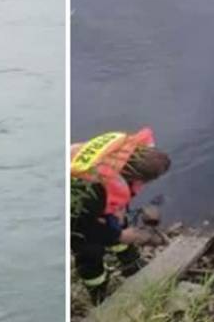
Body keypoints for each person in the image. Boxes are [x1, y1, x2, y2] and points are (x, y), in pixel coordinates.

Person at [70, 128, 171, 304]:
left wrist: (119, 210)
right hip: (74, 210)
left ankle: (131, 263)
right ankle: (98, 294)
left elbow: (118, 190)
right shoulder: (92, 189)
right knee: (90, 250)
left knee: (119, 221)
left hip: (92, 197)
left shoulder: (120, 156)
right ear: (137, 176)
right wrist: (119, 235)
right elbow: (81, 226)